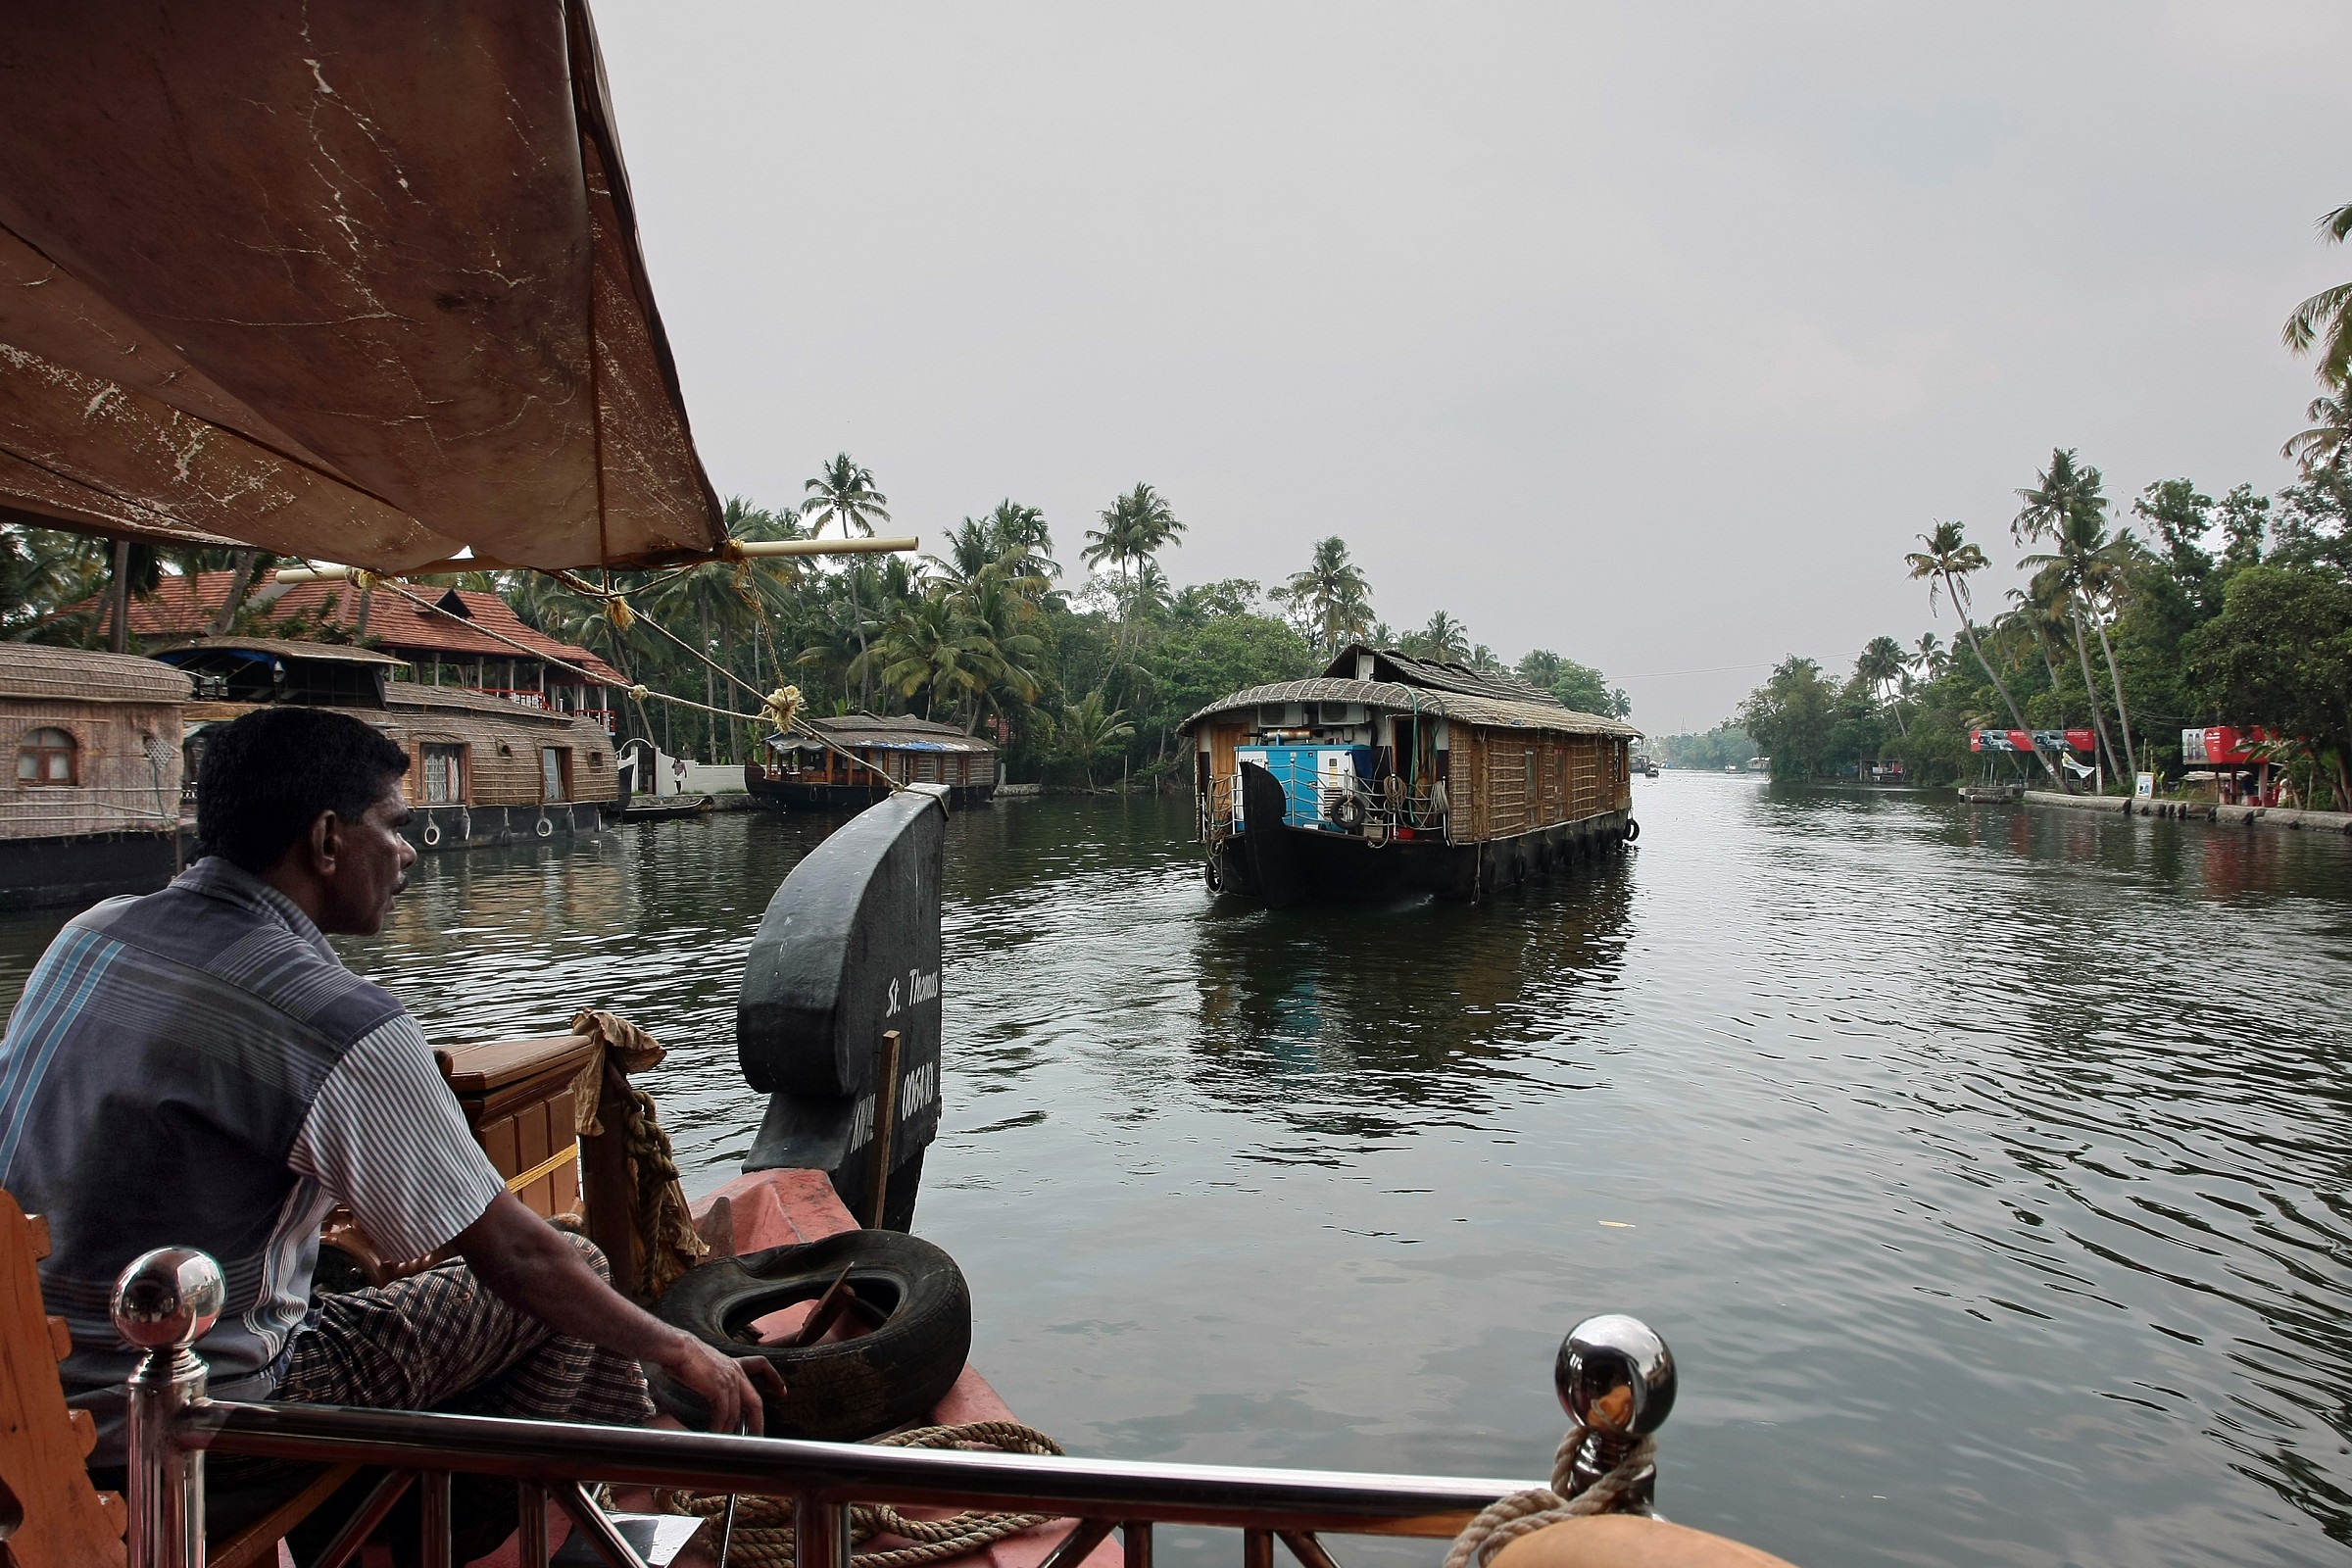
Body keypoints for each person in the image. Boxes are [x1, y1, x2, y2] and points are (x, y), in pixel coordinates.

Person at [0, 707, 780, 1535]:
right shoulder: (334, 1020)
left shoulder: (88, 935)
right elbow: (514, 1257)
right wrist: (678, 1348)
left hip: (27, 1392)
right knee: (572, 1266)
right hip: (190, 1422)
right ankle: (490, 1519)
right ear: (328, 840)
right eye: (394, 825)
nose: (408, 850)